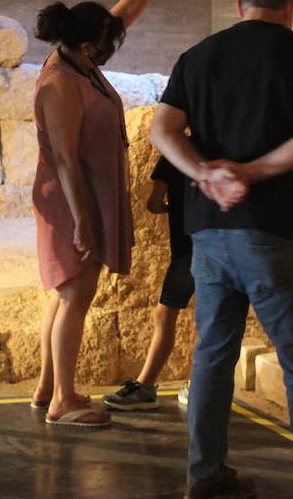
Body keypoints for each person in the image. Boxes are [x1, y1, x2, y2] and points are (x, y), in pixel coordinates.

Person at [151, 0, 293, 499]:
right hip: (275, 230)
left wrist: (205, 173)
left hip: (209, 230)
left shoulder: (199, 55)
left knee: (213, 354)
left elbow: (161, 129)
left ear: (240, 7)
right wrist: (253, 173)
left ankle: (205, 475)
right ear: (290, 8)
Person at [31, 0, 200, 428]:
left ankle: (47, 387)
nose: (113, 47)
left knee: (66, 294)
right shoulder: (61, 83)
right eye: (106, 46)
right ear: (87, 49)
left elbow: (122, 14)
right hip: (71, 200)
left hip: (87, 195)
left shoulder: (79, 59)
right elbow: (65, 159)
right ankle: (64, 400)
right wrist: (84, 221)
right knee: (76, 297)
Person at [101, 155, 193, 411]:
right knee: (208, 318)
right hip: (209, 245)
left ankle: (147, 385)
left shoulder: (175, 154)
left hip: (188, 250)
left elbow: (154, 202)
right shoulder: (225, 147)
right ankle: (197, 384)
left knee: (166, 315)